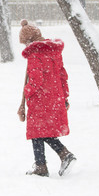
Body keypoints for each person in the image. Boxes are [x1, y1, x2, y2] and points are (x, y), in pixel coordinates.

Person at [17, 19, 76, 177]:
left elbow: (36, 81)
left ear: (29, 40)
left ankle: (49, 163)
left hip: (40, 99)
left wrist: (27, 91)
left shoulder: (35, 55)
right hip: (55, 97)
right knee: (42, 130)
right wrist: (64, 96)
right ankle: (50, 161)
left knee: (37, 131)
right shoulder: (54, 52)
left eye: (24, 43)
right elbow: (63, 76)